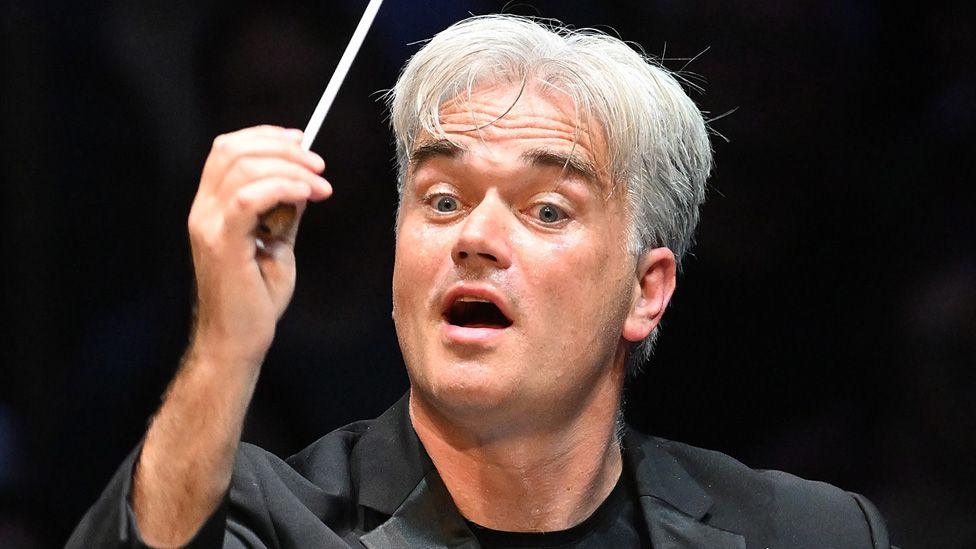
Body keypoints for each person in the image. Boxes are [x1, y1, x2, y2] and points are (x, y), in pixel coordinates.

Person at [68, 15, 893, 548]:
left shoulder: (811, 533)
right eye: (441, 198)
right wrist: (226, 343)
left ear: (646, 290)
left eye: (546, 210)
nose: (475, 237)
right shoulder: (260, 516)